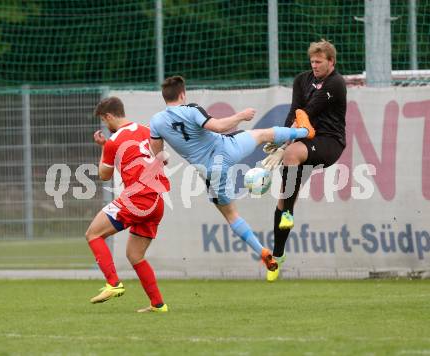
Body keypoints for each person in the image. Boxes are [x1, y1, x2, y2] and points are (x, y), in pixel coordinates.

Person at [149, 76, 315, 272]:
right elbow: (218, 127)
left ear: (164, 97)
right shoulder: (191, 110)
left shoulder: (157, 121)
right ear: (182, 94)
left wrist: (163, 158)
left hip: (210, 171)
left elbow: (157, 152)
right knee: (263, 134)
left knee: (231, 216)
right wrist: (241, 116)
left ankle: (262, 251)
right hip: (226, 149)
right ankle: (304, 132)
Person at [262, 39, 347, 282]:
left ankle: (288, 212)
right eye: (312, 61)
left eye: (319, 62)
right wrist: (282, 138)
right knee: (283, 201)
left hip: (330, 142)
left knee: (291, 154)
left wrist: (286, 143)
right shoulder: (302, 80)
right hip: (303, 142)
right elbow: (295, 111)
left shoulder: (336, 83)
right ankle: (278, 257)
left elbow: (308, 112)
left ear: (331, 62)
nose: (315, 65)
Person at [85, 96, 170, 313]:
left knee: (93, 234)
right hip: (157, 200)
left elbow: (104, 175)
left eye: (105, 121)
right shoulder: (146, 130)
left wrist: (105, 148)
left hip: (138, 199)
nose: (106, 126)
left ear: (109, 116)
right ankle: (158, 304)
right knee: (135, 256)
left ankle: (113, 284)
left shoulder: (114, 141)